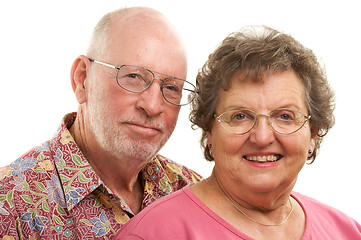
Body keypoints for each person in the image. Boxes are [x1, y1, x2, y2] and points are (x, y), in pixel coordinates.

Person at [115, 25, 361, 239]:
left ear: (313, 133)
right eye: (240, 116)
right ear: (209, 133)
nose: (262, 137)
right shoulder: (153, 233)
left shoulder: (349, 232)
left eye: (285, 116)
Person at [0, 7, 202, 239]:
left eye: (171, 88)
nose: (154, 106)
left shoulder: (192, 192)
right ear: (83, 79)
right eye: (133, 77)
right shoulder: (10, 204)